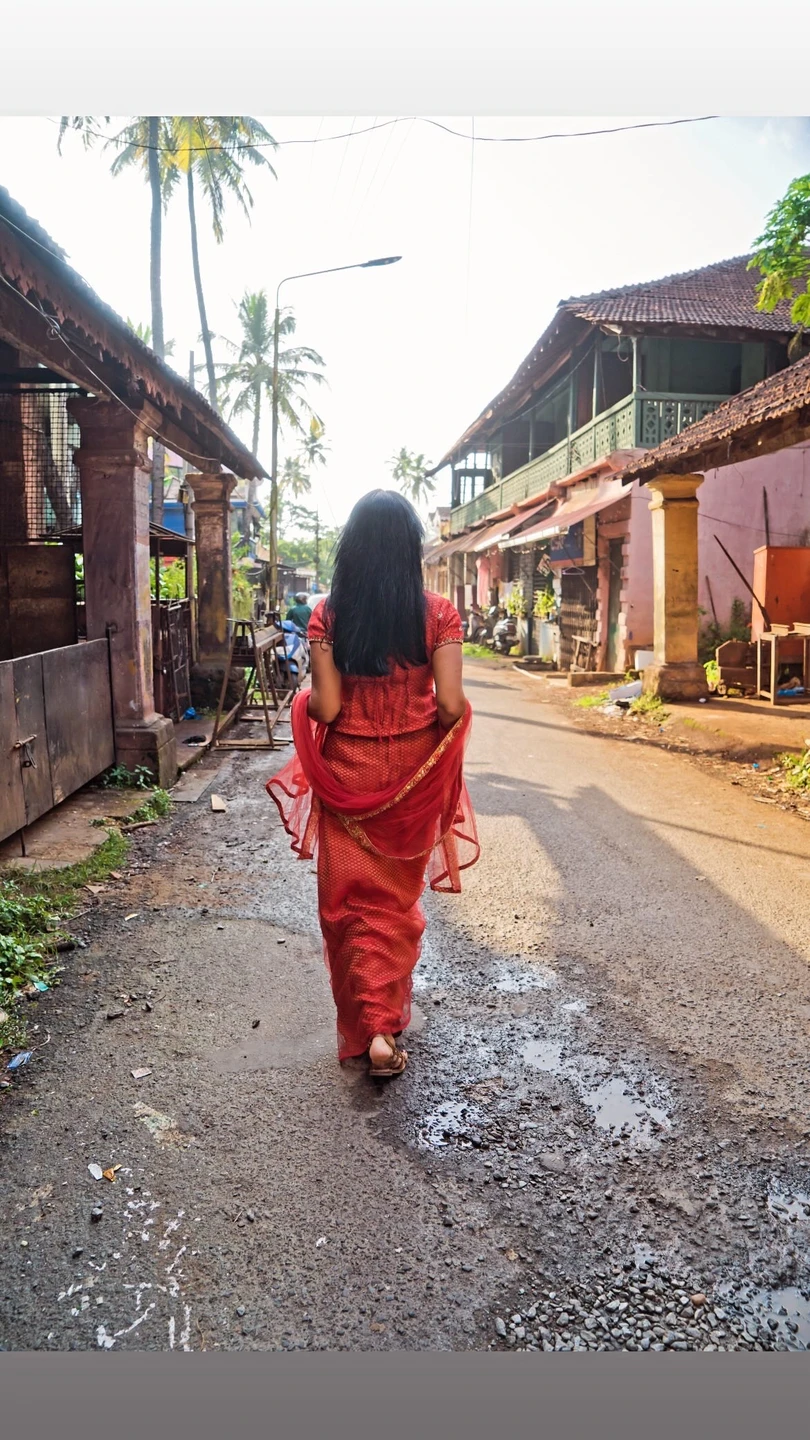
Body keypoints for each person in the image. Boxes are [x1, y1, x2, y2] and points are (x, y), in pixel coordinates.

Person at [267, 490, 479, 1078]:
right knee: (394, 903)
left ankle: (375, 1028)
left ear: (351, 550)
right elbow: (451, 705)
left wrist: (307, 697)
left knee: (350, 905)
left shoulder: (328, 615)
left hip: (348, 775)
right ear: (410, 549)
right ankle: (384, 1028)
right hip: (412, 778)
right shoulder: (439, 614)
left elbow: (328, 709)